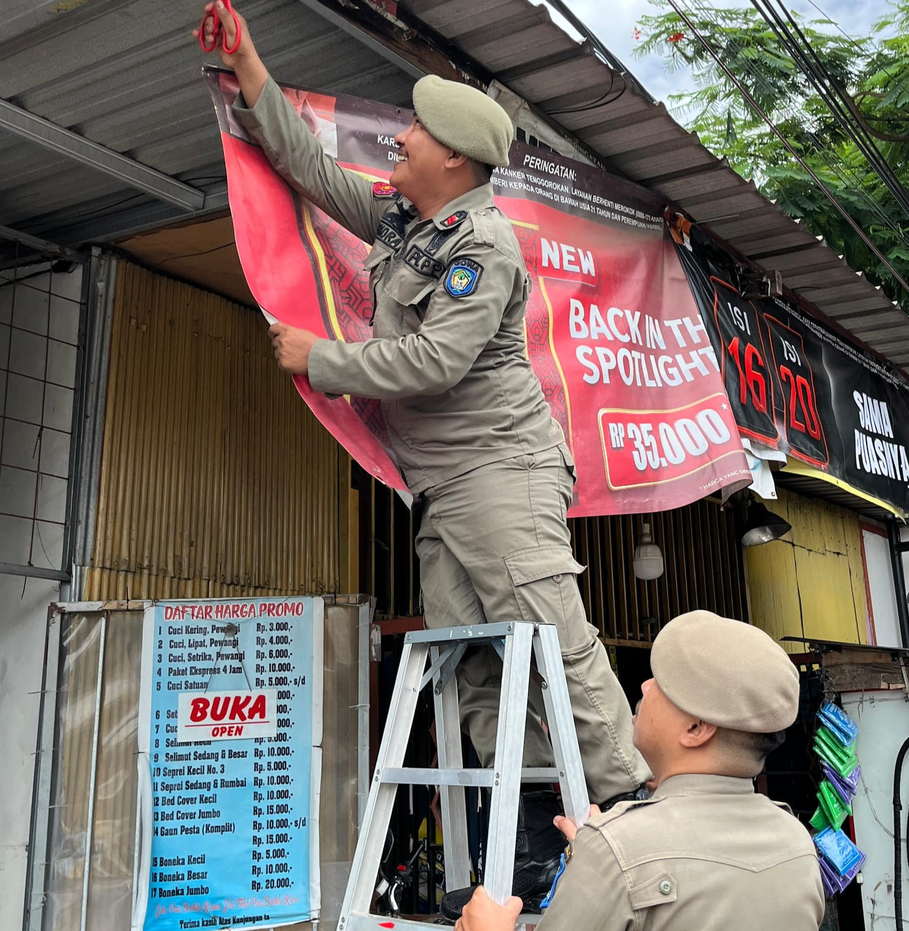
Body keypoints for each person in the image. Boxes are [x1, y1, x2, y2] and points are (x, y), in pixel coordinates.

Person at [196, 0, 649, 903]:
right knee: (470, 666)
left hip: (501, 471)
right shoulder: (406, 222)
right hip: (440, 485)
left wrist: (321, 357)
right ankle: (526, 843)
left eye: (415, 129)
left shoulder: (484, 245)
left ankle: (639, 815)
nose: (399, 138)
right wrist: (247, 63)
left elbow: (437, 361)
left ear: (456, 158)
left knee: (553, 645)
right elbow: (312, 170)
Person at [455, 610, 825, 931]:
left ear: (696, 728)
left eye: (662, 685)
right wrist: (598, 857)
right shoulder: (797, 845)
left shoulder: (615, 850)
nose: (646, 687)